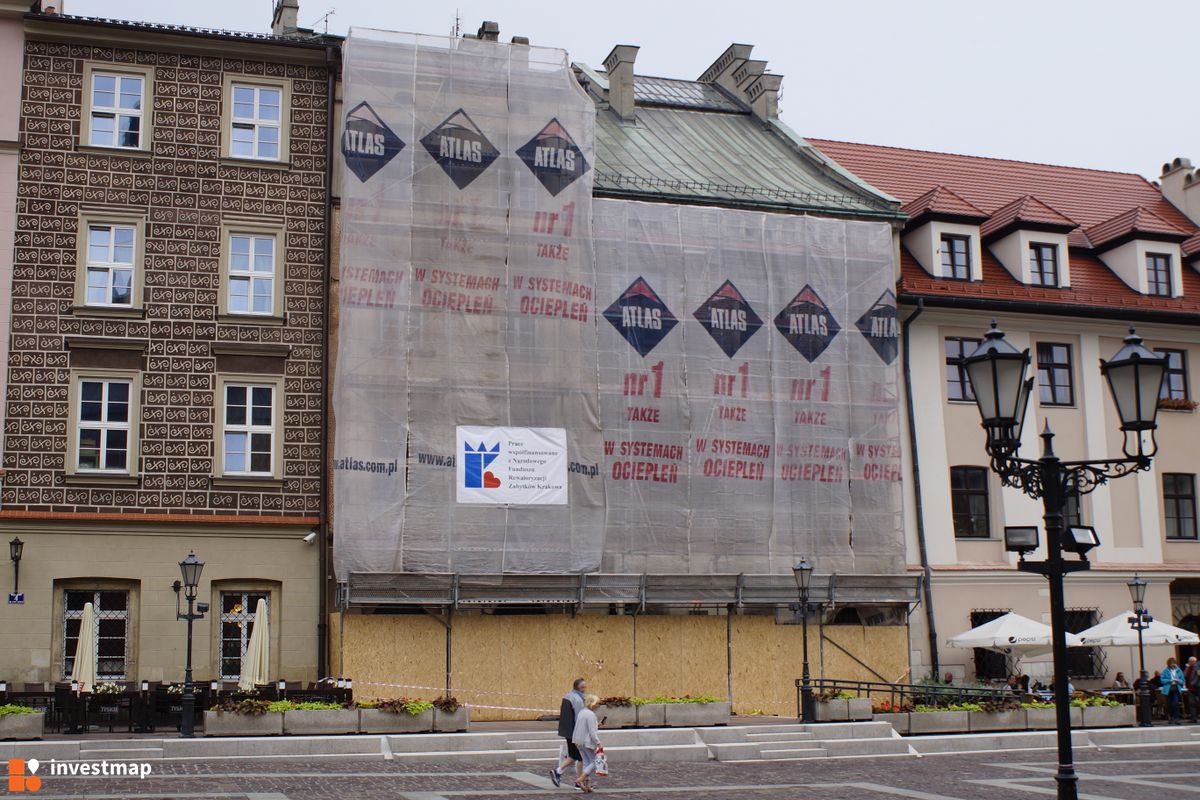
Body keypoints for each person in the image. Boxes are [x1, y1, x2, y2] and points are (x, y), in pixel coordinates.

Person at [551, 678, 587, 788]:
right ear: (579, 688)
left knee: (573, 755)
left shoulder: (568, 696)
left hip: (568, 731)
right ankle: (578, 782)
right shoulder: (578, 700)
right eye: (583, 687)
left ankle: (558, 771)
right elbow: (579, 717)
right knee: (581, 757)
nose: (585, 689)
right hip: (575, 732)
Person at [572, 694, 602, 793]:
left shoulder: (582, 712)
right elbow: (592, 732)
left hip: (578, 741)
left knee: (586, 763)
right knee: (595, 761)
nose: (598, 706)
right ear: (592, 704)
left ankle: (586, 784)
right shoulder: (591, 715)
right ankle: (581, 779)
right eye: (597, 703)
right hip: (587, 742)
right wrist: (598, 743)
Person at [1161, 658, 1186, 725]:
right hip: (1168, 689)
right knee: (1169, 704)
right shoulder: (1165, 671)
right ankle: (1171, 717)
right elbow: (1162, 680)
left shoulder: (1179, 670)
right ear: (1168, 664)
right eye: (1171, 664)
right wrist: (1169, 680)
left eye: (1173, 664)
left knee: (1175, 704)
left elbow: (1183, 680)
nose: (1172, 665)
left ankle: (1177, 719)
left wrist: (1178, 680)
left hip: (1176, 689)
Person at [1185, 656, 1199, 723]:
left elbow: (1197, 676)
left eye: (1192, 661)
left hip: (1197, 687)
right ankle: (1194, 718)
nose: (1190, 663)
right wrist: (1186, 668)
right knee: (1191, 703)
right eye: (1189, 661)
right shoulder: (1188, 668)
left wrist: (1193, 683)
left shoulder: (1198, 667)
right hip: (1190, 688)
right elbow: (1184, 675)